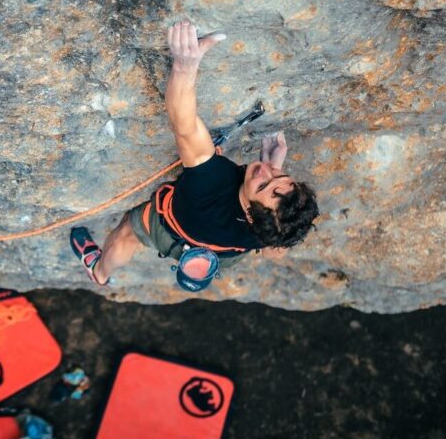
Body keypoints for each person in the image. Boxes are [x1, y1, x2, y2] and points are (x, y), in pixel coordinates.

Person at [71, 20, 319, 286]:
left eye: (264, 185)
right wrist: (270, 175)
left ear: (251, 217)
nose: (264, 170)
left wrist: (184, 66)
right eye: (281, 176)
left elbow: (185, 125)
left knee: (127, 235)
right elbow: (277, 249)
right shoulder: (271, 228)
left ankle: (100, 272)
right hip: (224, 254)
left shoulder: (212, 182)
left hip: (169, 229)